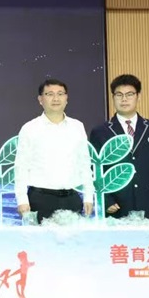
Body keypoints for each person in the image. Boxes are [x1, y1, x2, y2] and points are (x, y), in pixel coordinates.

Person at [89, 74, 149, 220]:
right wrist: (106, 199)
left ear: (138, 96)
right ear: (113, 97)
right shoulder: (100, 132)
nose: (124, 99)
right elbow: (94, 169)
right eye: (119, 95)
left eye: (129, 94)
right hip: (117, 204)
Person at [14, 79, 94, 222]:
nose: (56, 98)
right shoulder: (30, 128)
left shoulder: (77, 127)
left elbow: (84, 163)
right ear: (40, 99)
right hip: (40, 199)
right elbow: (21, 167)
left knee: (74, 237)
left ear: (66, 98)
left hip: (71, 198)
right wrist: (22, 200)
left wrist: (88, 196)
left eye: (60, 94)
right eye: (50, 94)